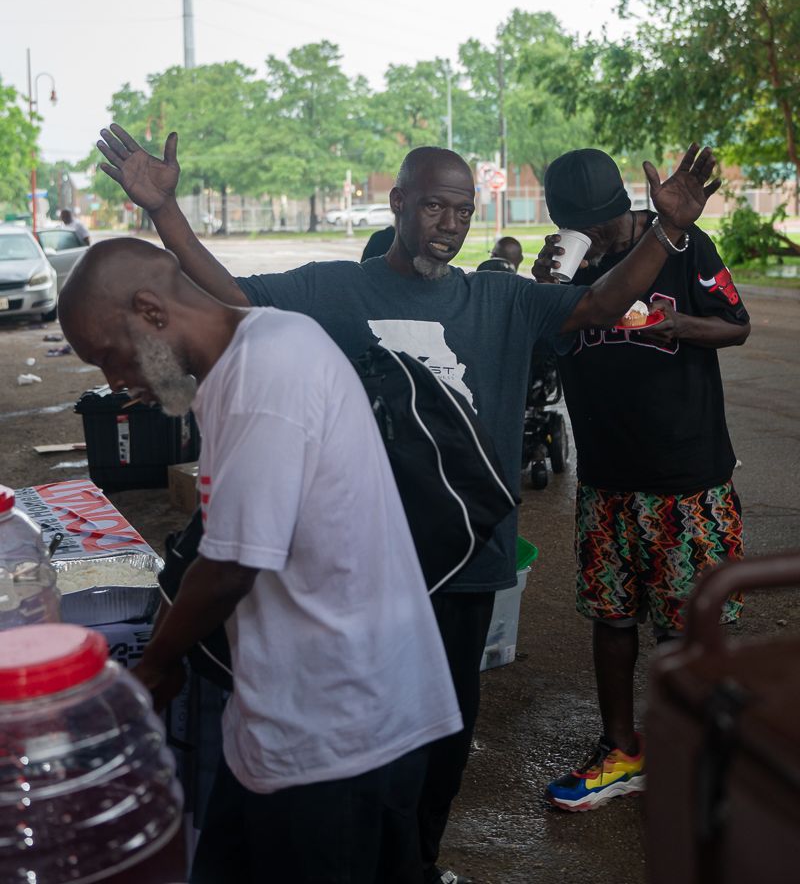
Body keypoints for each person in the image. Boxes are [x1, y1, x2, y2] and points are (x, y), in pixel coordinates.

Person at [96, 123, 721, 884]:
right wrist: (165, 212)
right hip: (369, 563)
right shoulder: (335, 288)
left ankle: (418, 859)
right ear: (397, 203)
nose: (450, 224)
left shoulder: (501, 298)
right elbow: (228, 296)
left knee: (446, 733)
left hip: (465, 562)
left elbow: (598, 303)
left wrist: (667, 230)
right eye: (435, 208)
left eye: (462, 212)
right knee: (374, 740)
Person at [57, 237, 462, 884]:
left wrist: (156, 666)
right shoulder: (253, 351)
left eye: (110, 356)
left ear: (150, 311)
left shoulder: (265, 377)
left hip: (342, 734)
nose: (114, 381)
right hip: (285, 719)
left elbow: (229, 568)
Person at [534, 148, 750, 813]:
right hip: (607, 482)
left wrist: (681, 325)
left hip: (689, 482)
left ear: (620, 204)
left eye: (602, 224)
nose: (596, 237)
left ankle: (692, 751)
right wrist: (542, 291)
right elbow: (544, 351)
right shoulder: (569, 269)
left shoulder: (682, 245)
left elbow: (736, 327)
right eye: (583, 227)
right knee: (610, 617)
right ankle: (621, 749)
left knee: (688, 629)